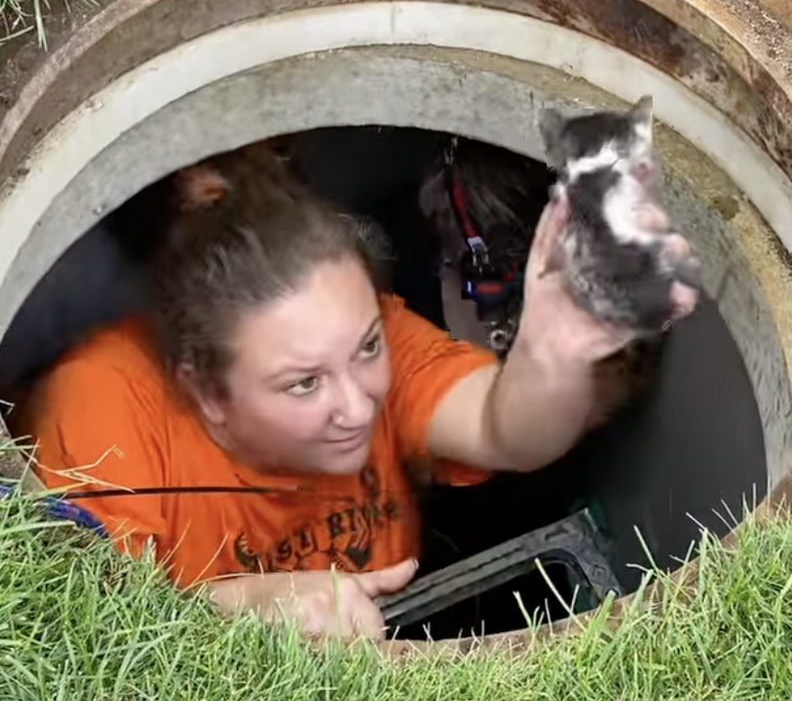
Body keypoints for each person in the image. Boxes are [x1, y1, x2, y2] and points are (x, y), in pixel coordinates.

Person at [26, 147, 698, 641]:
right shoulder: (100, 413)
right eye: (304, 383)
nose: (359, 404)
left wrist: (552, 352)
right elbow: (85, 632)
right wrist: (243, 605)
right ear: (205, 391)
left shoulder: (359, 327)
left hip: (390, 625)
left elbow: (508, 433)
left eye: (368, 349)